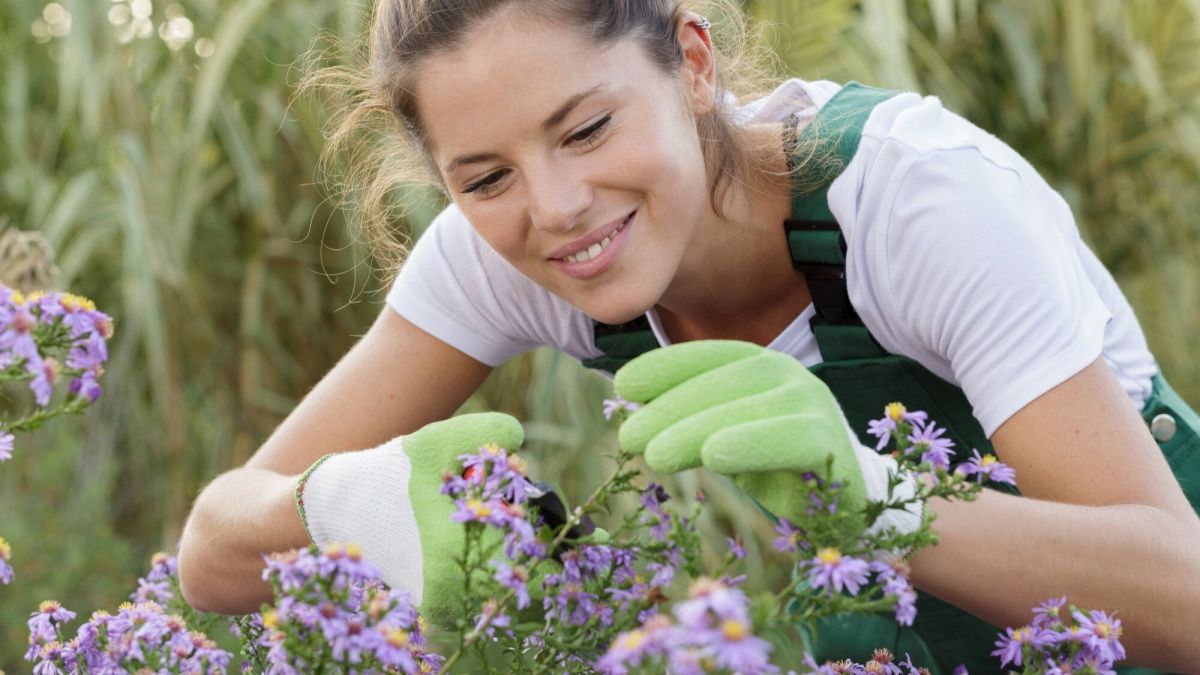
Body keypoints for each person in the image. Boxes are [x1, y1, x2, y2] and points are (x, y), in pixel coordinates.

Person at [176, 1, 1200, 671]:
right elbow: (212, 552)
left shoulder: (917, 201)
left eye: (587, 128)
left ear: (694, 64)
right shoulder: (501, 252)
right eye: (483, 177)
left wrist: (876, 499)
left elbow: (1184, 600)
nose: (557, 207)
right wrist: (350, 504)